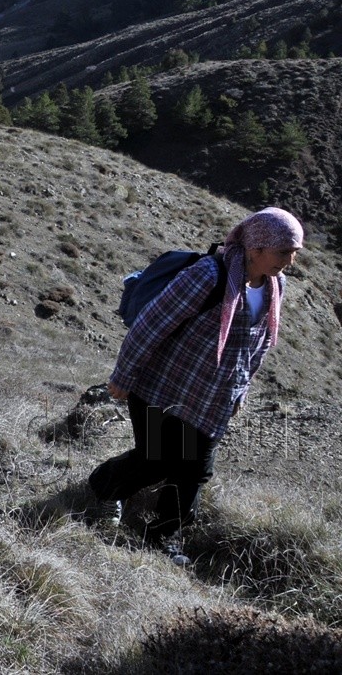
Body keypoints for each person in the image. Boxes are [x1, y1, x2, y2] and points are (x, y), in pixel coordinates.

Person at [87, 207, 304, 565]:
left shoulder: (274, 286)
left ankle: (162, 537)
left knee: (194, 469)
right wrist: (123, 375)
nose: (290, 261)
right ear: (256, 248)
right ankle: (104, 488)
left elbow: (259, 345)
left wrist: (241, 390)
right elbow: (151, 325)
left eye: (294, 252)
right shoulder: (207, 275)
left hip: (211, 399)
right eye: (284, 251)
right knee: (156, 458)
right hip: (161, 387)